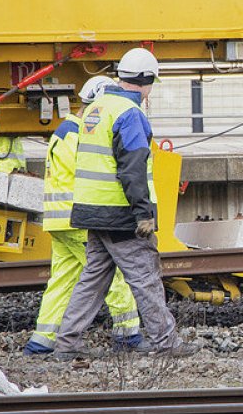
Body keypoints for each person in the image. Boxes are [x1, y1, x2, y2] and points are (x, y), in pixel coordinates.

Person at [54, 48, 194, 359]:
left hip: (91, 212)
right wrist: (143, 214)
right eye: (151, 84)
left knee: (92, 281)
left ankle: (66, 344)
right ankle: (167, 343)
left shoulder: (97, 108)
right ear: (145, 82)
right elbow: (132, 167)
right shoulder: (129, 114)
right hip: (120, 214)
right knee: (145, 279)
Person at [24, 76, 143, 355]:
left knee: (63, 280)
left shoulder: (64, 130)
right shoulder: (80, 133)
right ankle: (128, 336)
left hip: (57, 219)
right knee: (111, 273)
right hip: (77, 218)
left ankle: (43, 340)